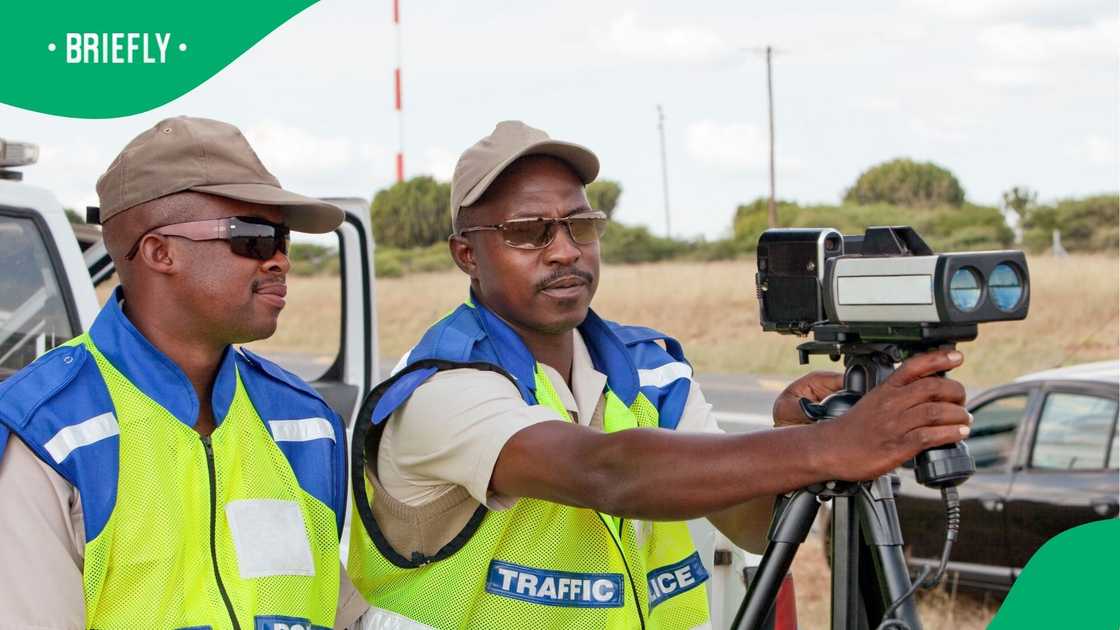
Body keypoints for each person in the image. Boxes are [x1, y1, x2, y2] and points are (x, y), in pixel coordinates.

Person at [345, 121, 973, 629]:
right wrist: (829, 445)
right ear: (466, 255)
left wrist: (790, 435)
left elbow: (750, 526)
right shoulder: (440, 387)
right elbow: (607, 471)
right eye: (528, 233)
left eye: (580, 225)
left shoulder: (650, 368)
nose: (565, 250)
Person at [0, 117, 367, 629]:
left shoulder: (304, 421)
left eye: (283, 240)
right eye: (255, 238)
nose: (281, 261)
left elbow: (334, 607)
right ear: (159, 251)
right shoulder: (45, 432)